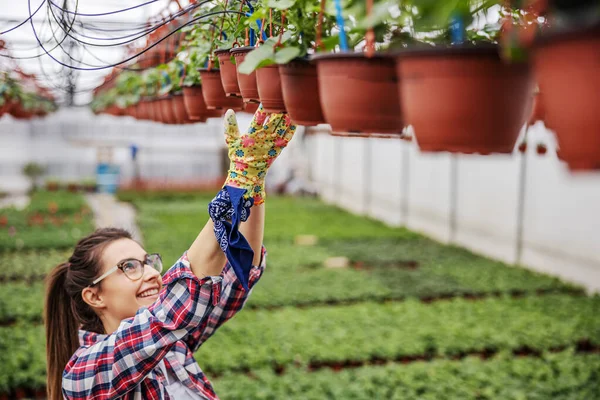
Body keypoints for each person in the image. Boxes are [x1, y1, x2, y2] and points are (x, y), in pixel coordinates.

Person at [44, 106, 296, 400]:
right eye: (129, 266)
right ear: (94, 296)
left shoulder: (173, 346)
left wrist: (253, 185)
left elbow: (237, 280)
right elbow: (169, 314)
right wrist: (237, 181)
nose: (152, 273)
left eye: (148, 262)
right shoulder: (84, 376)